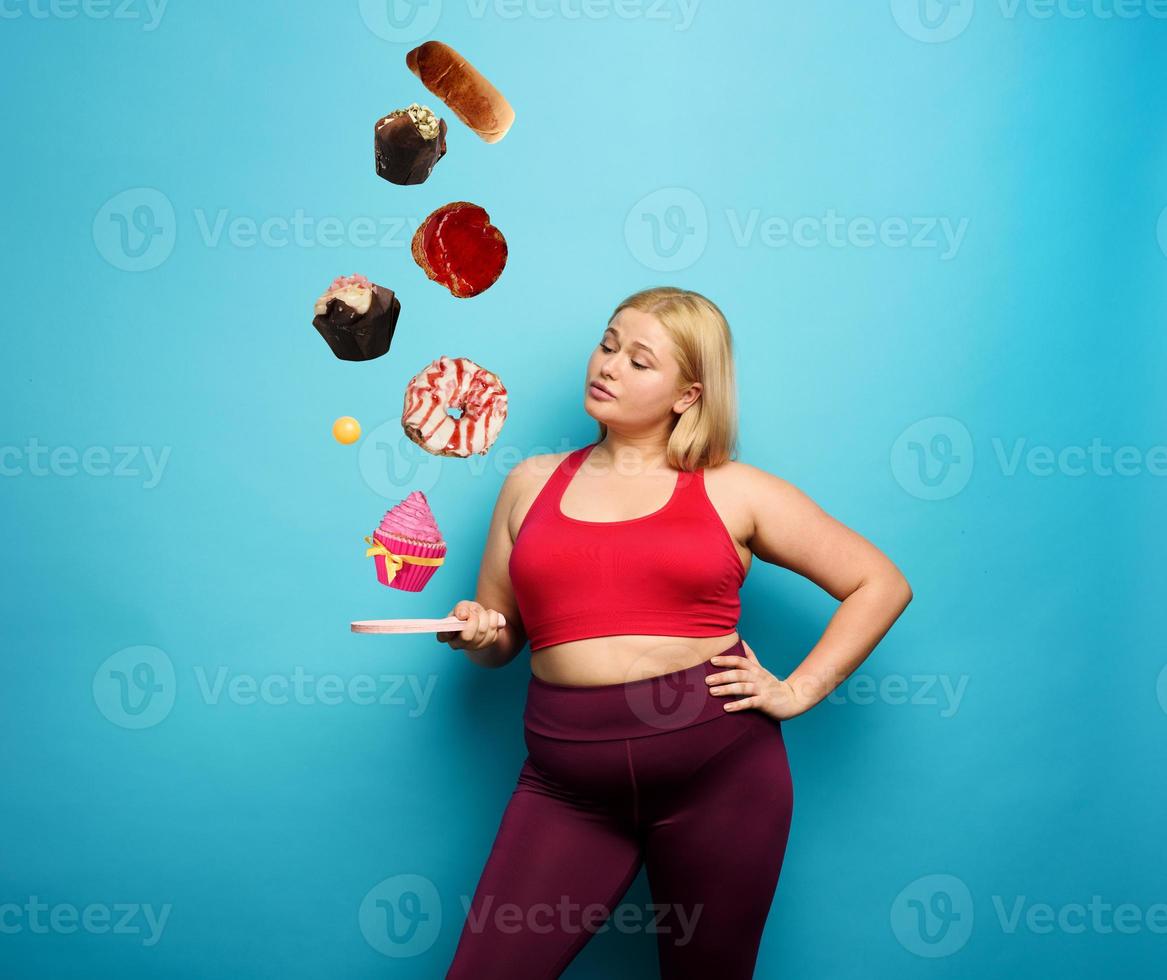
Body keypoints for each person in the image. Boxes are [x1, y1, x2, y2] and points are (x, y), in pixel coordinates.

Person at [437, 286, 913, 978]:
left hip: (719, 780)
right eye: (607, 344)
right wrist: (480, 637)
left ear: (687, 395)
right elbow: (501, 637)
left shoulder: (735, 490)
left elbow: (880, 583)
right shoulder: (528, 483)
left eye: (638, 361)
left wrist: (799, 689)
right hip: (566, 787)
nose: (607, 366)